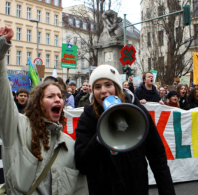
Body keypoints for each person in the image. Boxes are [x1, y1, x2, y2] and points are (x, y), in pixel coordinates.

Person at [0, 26, 88, 195]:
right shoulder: (18, 128)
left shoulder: (70, 146)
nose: (57, 99)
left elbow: (80, 189)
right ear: (37, 103)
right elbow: (0, 98)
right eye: (50, 96)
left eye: (60, 96)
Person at [74, 64, 175, 194]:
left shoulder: (138, 111)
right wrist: (99, 137)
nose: (103, 90)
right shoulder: (87, 117)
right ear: (93, 92)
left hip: (136, 187)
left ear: (117, 87)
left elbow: (157, 157)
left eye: (108, 85)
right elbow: (82, 164)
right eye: (97, 87)